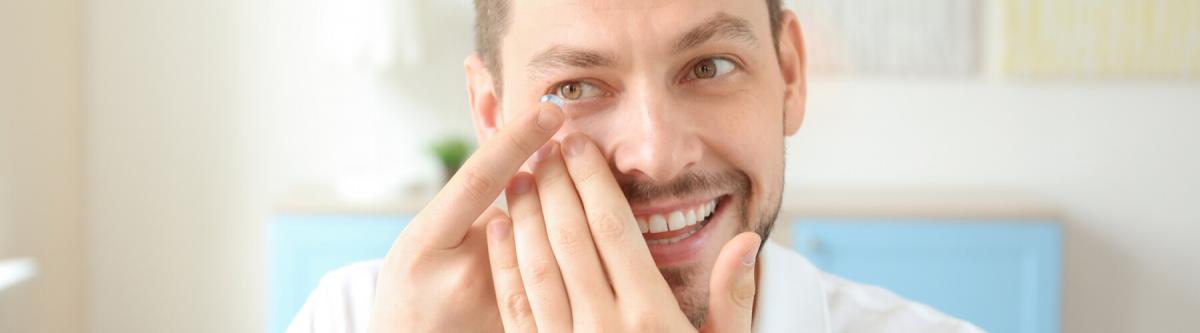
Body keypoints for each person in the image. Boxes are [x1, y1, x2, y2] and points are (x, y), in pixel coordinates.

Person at [289, 0, 985, 332]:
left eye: (709, 65)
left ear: (791, 75)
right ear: (492, 112)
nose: (654, 153)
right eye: (575, 86)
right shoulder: (359, 318)